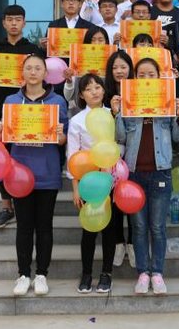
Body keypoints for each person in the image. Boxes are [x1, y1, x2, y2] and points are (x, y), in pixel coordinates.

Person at [0, 53, 68, 296]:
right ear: (22, 72)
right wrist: (0, 130)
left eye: (38, 68)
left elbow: (63, 140)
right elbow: (6, 139)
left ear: (46, 73)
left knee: (44, 226)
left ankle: (42, 274)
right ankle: (23, 274)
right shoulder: (11, 101)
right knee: (24, 226)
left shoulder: (57, 101)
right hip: (19, 173)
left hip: (47, 171)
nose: (33, 72)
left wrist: (60, 134)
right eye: (29, 68)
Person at [113, 58, 179, 295]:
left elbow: (177, 137)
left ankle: (158, 273)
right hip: (134, 173)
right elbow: (120, 136)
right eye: (141, 75)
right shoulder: (128, 101)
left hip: (161, 171)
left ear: (159, 77)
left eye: (151, 74)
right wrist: (118, 113)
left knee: (157, 227)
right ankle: (143, 273)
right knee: (139, 226)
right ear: (135, 78)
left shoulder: (167, 100)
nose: (146, 79)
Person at [0, 4, 40, 228]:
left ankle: (28, 201)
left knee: (28, 154)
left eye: (18, 19)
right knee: (4, 155)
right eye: (10, 20)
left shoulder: (32, 50)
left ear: (24, 23)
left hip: (29, 109)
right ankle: (6, 207)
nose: (14, 23)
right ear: (4, 23)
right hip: (2, 109)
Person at [66, 73, 116, 294]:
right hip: (88, 182)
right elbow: (72, 156)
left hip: (112, 179)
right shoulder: (77, 121)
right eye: (88, 89)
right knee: (89, 230)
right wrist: (76, 188)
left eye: (97, 87)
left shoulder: (113, 114)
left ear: (104, 90)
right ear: (81, 95)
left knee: (109, 230)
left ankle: (106, 273)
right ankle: (86, 274)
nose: (94, 92)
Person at [101, 51, 136, 268]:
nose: (119, 71)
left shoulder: (139, 92)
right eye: (115, 68)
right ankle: (117, 242)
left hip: (133, 154)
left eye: (123, 67)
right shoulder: (104, 94)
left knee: (131, 199)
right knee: (113, 201)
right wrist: (114, 113)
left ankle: (132, 243)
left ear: (130, 69)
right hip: (109, 156)